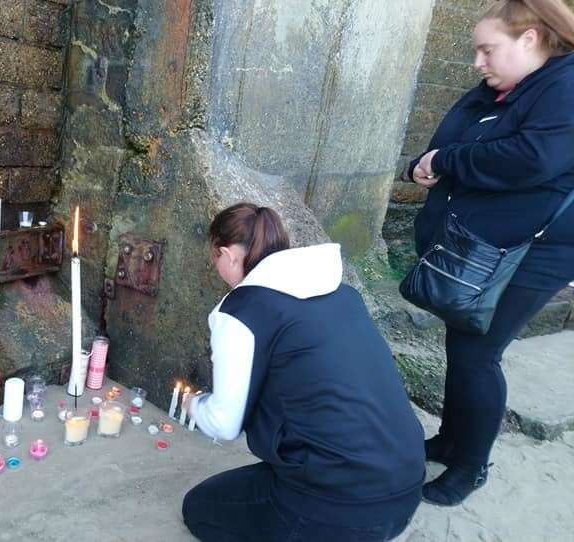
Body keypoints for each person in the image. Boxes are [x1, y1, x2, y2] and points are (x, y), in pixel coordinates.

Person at [407, 0, 574, 506]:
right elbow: (449, 145)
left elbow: (531, 159)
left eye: (487, 49)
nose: (478, 61)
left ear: (529, 40)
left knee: (478, 354)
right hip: (490, 245)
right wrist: (423, 162)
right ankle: (453, 440)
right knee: (463, 347)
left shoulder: (564, 86)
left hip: (537, 248)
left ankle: (471, 466)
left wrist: (447, 160)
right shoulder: (504, 89)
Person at [181, 203, 425, 542]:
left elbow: (224, 423)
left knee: (201, 507)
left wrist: (195, 404)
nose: (216, 266)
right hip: (407, 486)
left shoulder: (241, 311)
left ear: (228, 255)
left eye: (215, 258)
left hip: (340, 507)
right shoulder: (342, 293)